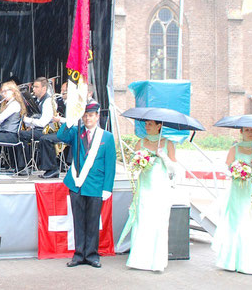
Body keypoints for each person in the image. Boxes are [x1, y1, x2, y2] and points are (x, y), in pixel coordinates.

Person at [56, 102, 116, 268]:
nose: (88, 118)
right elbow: (61, 136)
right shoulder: (76, 132)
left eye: (91, 115)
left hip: (96, 185)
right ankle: (78, 255)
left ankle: (92, 255)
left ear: (97, 117)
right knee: (78, 221)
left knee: (92, 221)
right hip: (77, 184)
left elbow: (110, 165)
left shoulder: (107, 137)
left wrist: (107, 188)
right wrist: (69, 121)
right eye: (85, 115)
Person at [212, 127, 252, 274]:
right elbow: (225, 168)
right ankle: (233, 261)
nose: (250, 133)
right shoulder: (235, 149)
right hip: (238, 192)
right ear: (241, 132)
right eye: (247, 130)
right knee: (237, 222)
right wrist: (236, 170)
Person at [117, 119, 176, 272]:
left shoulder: (168, 144)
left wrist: (163, 156)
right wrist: (139, 163)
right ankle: (139, 260)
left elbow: (173, 169)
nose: (147, 127)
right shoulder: (140, 143)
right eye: (146, 124)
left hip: (160, 188)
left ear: (159, 126)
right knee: (143, 220)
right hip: (144, 187)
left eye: (150, 124)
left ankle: (156, 261)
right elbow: (133, 166)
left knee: (158, 222)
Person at [19, 77, 55, 166]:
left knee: (20, 135)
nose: (33, 89)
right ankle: (23, 163)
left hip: (46, 132)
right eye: (33, 87)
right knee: (19, 133)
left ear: (44, 88)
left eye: (36, 87)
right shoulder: (37, 100)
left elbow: (43, 123)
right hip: (37, 130)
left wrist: (26, 120)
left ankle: (24, 164)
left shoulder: (48, 102)